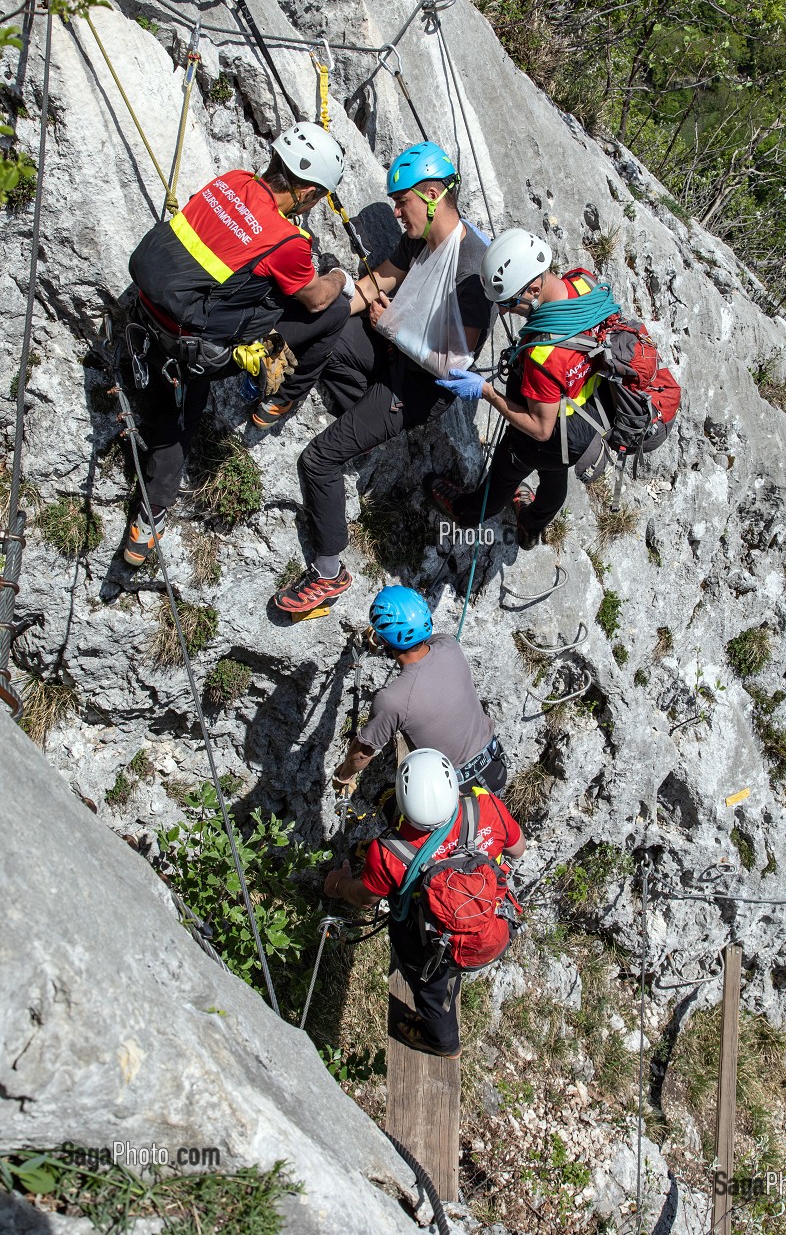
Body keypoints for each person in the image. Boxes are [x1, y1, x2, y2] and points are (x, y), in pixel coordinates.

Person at [272, 141, 493, 616]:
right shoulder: (421, 239)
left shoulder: (472, 267)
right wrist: (320, 311)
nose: (396, 212)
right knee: (328, 332)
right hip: (391, 355)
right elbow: (375, 285)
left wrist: (392, 325)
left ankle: (329, 573)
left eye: (402, 201)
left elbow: (452, 363)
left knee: (318, 461)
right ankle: (338, 412)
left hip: (414, 391)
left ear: (433, 194)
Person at [121, 122, 356, 565]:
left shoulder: (231, 181)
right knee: (336, 311)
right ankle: (281, 400)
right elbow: (315, 298)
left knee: (180, 409)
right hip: (193, 346)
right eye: (319, 196)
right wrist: (339, 275)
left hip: (149, 311)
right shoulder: (287, 242)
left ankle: (146, 524)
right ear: (306, 192)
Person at [324, 747, 526, 1058]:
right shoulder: (487, 806)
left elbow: (365, 898)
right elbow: (517, 849)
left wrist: (338, 885)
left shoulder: (388, 852)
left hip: (429, 944)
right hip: (491, 918)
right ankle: (454, 976)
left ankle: (443, 1043)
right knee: (449, 962)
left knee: (431, 991)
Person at [425, 228, 619, 549]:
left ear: (533, 288)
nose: (503, 311)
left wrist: (487, 392)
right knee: (555, 472)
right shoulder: (584, 281)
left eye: (509, 302)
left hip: (544, 433)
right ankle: (531, 525)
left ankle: (466, 512)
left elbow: (540, 429)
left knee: (503, 478)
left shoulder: (542, 354)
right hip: (584, 414)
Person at [332, 585, 507, 794]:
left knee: (394, 811)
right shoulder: (449, 645)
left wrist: (343, 777)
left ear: (384, 639)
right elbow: (422, 646)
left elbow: (361, 754)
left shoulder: (392, 700)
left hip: (457, 792)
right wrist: (384, 639)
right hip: (495, 766)